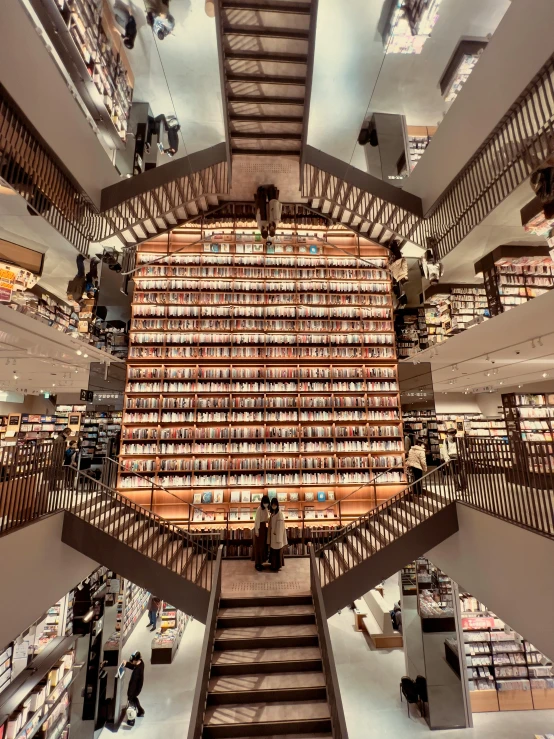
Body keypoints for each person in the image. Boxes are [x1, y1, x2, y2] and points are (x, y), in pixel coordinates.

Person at [267, 497, 287, 572]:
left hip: (277, 536)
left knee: (277, 551)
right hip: (273, 536)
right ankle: (273, 565)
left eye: (275, 504)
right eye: (272, 504)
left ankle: (277, 566)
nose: (273, 506)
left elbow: (280, 526)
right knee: (273, 551)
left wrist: (278, 536)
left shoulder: (280, 513)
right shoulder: (272, 513)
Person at [125, 651, 145, 723]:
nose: (131, 662)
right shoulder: (141, 663)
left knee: (131, 703)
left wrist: (129, 694)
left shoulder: (136, 673)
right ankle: (141, 711)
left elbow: (133, 684)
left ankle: (131, 719)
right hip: (139, 687)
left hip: (135, 688)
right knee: (134, 698)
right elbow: (134, 666)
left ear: (136, 660)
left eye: (132, 661)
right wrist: (127, 664)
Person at [252, 494, 270, 571]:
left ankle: (261, 562)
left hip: (264, 528)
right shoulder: (259, 509)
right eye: (265, 502)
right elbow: (257, 521)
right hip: (259, 528)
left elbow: (266, 519)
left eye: (267, 502)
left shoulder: (265, 509)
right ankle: (257, 563)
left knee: (262, 547)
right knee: (258, 547)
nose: (266, 504)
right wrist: (256, 531)